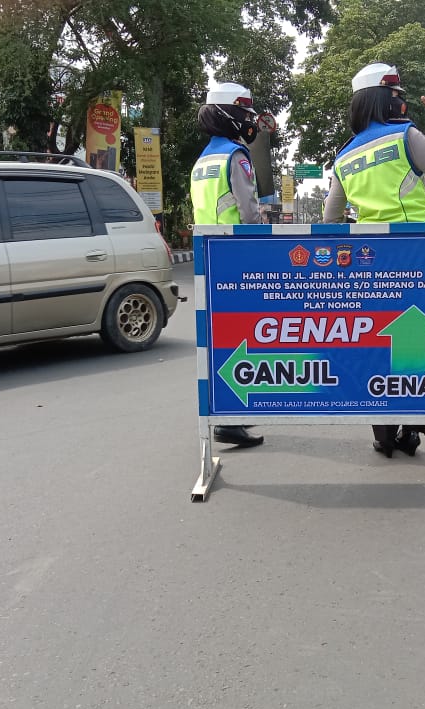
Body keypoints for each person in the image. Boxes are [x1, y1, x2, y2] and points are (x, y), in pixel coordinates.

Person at [323, 62, 425, 457]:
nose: (403, 104)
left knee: (376, 343)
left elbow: (330, 219)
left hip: (371, 262)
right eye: (399, 97)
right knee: (415, 344)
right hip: (420, 255)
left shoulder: (344, 157)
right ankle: (410, 430)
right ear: (386, 99)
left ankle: (383, 434)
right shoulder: (406, 136)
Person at [191, 81, 265, 448]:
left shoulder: (203, 160)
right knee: (245, 338)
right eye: (246, 114)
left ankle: (225, 415)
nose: (251, 121)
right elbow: (249, 212)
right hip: (238, 258)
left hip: (210, 260)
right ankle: (232, 419)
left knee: (222, 339)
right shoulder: (236, 156)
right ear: (230, 115)